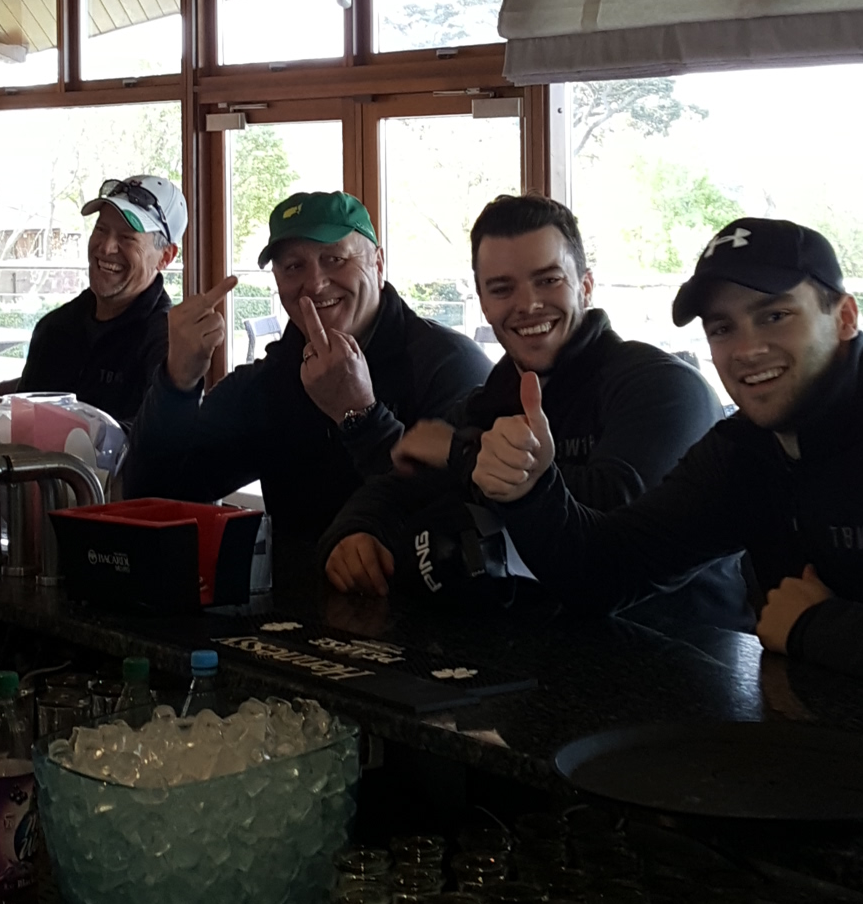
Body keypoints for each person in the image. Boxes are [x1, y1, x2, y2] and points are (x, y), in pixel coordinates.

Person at [470, 214, 863, 707]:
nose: (747, 349)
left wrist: (813, 627)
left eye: (774, 315)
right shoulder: (746, 451)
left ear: (844, 317)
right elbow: (602, 574)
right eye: (723, 328)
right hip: (856, 756)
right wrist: (533, 490)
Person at [320, 193, 746, 630]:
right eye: (502, 289)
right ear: (484, 303)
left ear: (585, 286)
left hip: (689, 646)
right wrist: (357, 533)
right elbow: (398, 483)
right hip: (550, 642)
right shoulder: (494, 396)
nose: (527, 304)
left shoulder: (663, 386)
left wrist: (463, 457)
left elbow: (620, 511)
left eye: (548, 280)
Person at [122, 189, 490, 561]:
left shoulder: (449, 365)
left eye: (335, 259)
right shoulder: (269, 382)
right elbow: (150, 501)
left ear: (378, 264)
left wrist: (361, 417)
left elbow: (472, 524)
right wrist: (177, 383)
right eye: (294, 267)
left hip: (414, 596)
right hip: (294, 596)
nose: (314, 284)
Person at [18, 173, 186, 421]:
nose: (106, 247)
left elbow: (158, 439)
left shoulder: (166, 343)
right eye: (101, 229)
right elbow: (21, 423)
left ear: (166, 257)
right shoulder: (55, 328)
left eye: (127, 237)